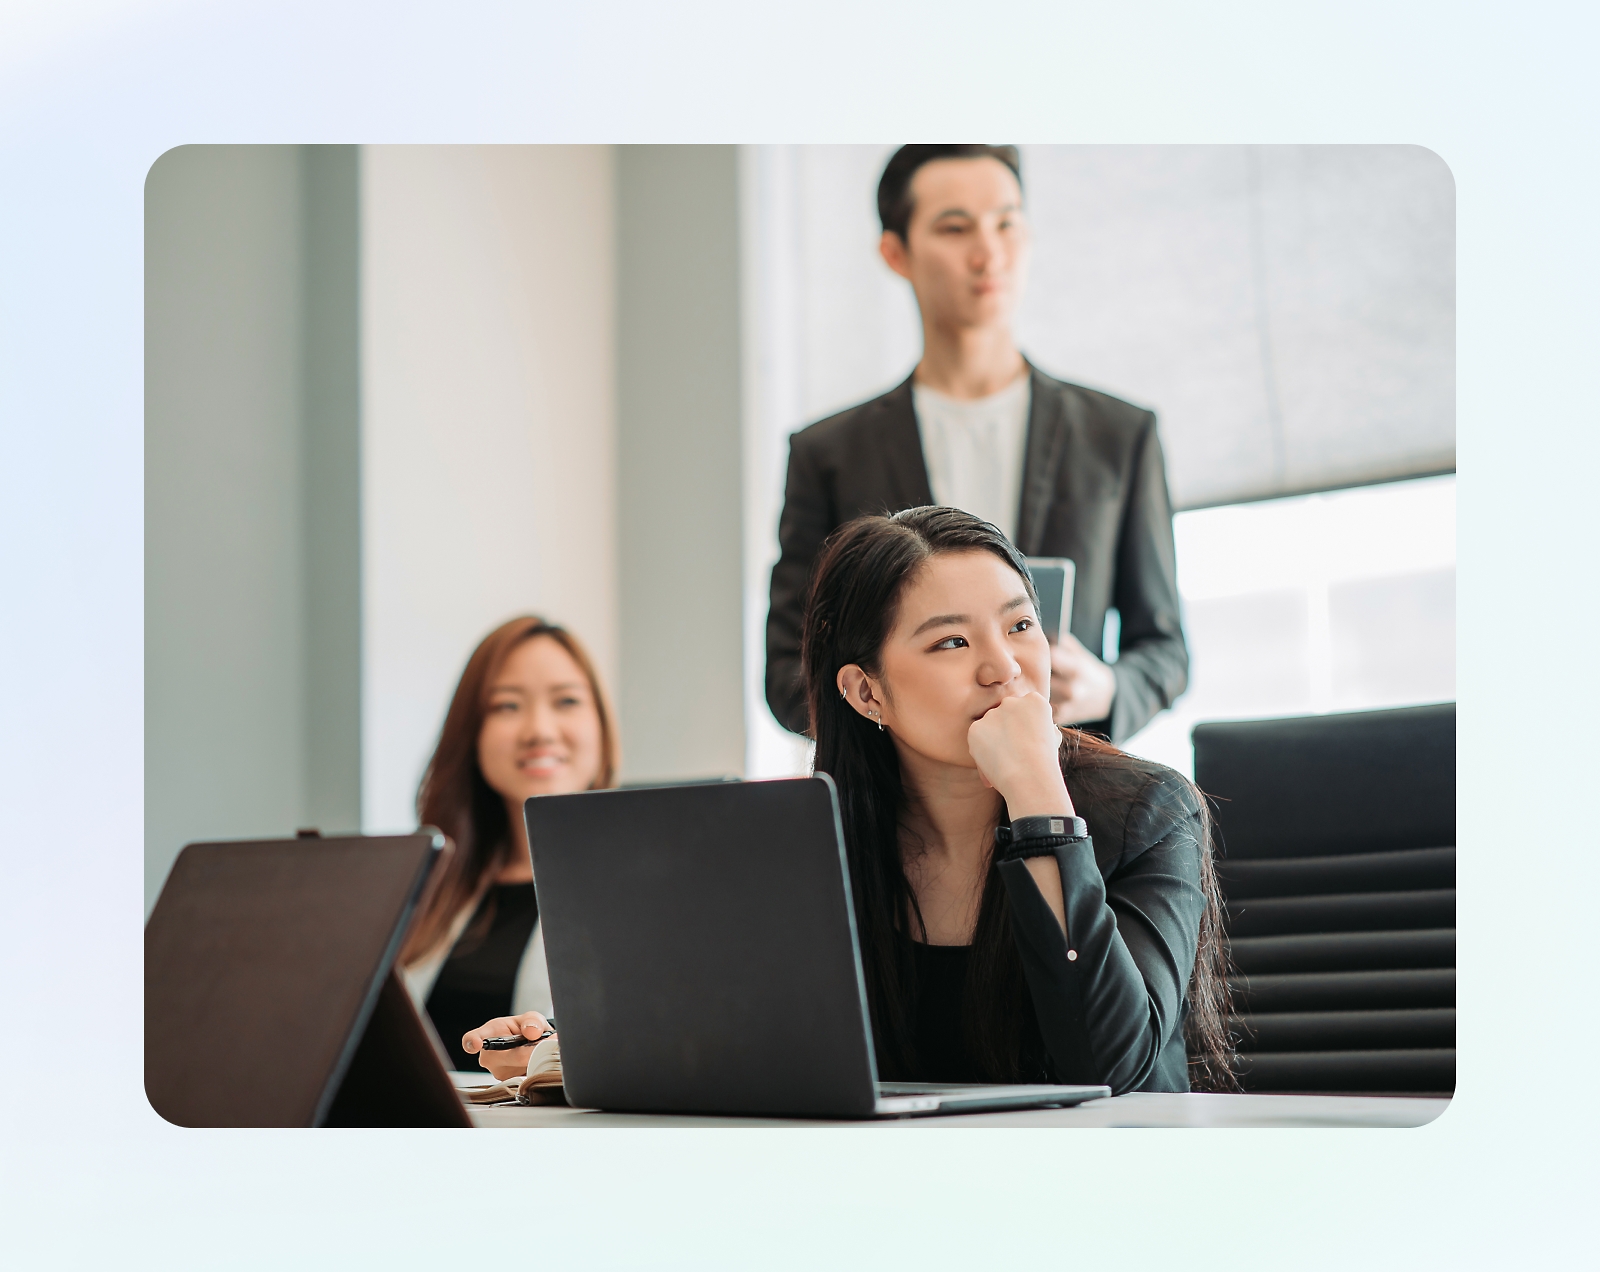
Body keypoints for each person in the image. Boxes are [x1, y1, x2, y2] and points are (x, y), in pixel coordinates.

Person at [471, 508, 1232, 1093]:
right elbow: (728, 1033)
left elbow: (1111, 1065)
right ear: (866, 691)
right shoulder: (811, 843)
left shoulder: (1150, 814)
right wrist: (561, 1045)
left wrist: (1038, 799)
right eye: (952, 643)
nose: (1006, 668)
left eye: (1020, 625)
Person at [766, 144, 1188, 745]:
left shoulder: (1117, 435)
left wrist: (1106, 688)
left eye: (1007, 222)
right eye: (955, 227)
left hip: (1073, 792)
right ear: (896, 252)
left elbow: (1165, 649)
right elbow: (788, 671)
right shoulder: (829, 455)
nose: (988, 251)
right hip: (901, 816)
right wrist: (906, 715)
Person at [399, 615, 618, 1072]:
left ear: (600, 725)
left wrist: (551, 1057)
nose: (539, 729)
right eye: (507, 706)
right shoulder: (418, 889)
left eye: (567, 701)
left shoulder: (647, 891)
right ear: (472, 733)